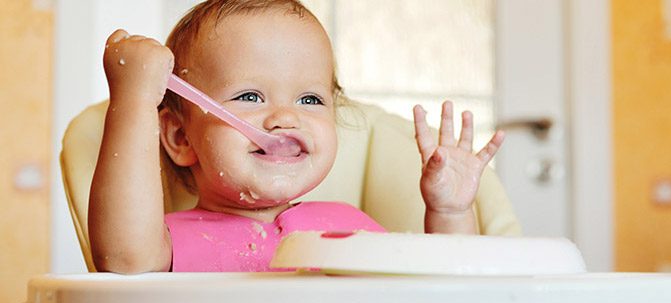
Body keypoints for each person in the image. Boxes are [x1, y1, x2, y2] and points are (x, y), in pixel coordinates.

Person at [89, 0, 505, 273]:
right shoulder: (167, 242)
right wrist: (133, 100)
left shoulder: (350, 228)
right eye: (250, 95)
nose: (286, 117)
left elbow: (447, 290)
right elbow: (124, 260)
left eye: (310, 99)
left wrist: (450, 212)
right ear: (181, 138)